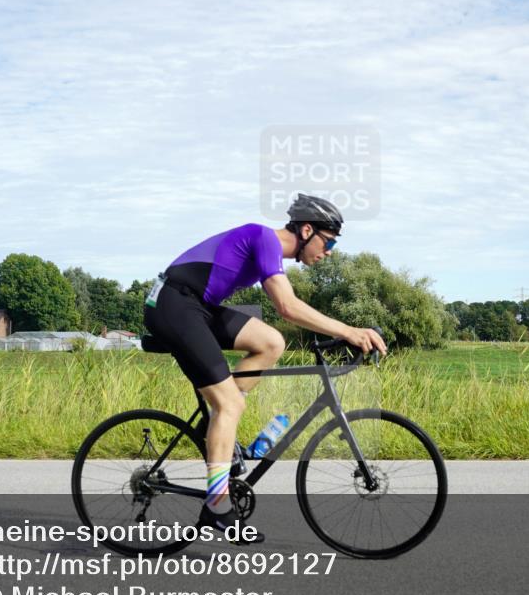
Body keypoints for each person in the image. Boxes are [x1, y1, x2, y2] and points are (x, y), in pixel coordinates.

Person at [143, 193, 387, 543]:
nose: (330, 251)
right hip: (172, 305)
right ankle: (217, 504)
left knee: (271, 342)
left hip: (197, 306)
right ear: (306, 230)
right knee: (230, 404)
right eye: (329, 241)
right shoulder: (263, 238)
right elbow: (287, 306)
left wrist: (345, 333)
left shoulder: (267, 250)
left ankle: (215, 425)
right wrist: (348, 331)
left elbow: (285, 311)